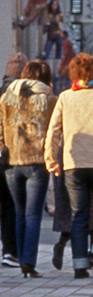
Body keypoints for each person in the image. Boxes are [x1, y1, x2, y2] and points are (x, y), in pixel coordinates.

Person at [44, 53, 93, 279]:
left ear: (73, 74)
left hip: (73, 165)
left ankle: (79, 265)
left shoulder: (66, 97)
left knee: (79, 214)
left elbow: (53, 131)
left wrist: (51, 161)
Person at [0, 59, 56, 277]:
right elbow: (54, 131)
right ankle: (28, 262)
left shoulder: (7, 98)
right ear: (46, 78)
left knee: (19, 213)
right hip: (37, 163)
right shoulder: (50, 99)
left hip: (12, 163)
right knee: (33, 215)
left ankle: (17, 254)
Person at [0, 54, 27, 268]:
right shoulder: (28, 95)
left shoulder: (1, 93)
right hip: (21, 158)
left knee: (6, 206)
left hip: (2, 156)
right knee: (18, 207)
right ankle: (14, 251)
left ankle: (8, 250)